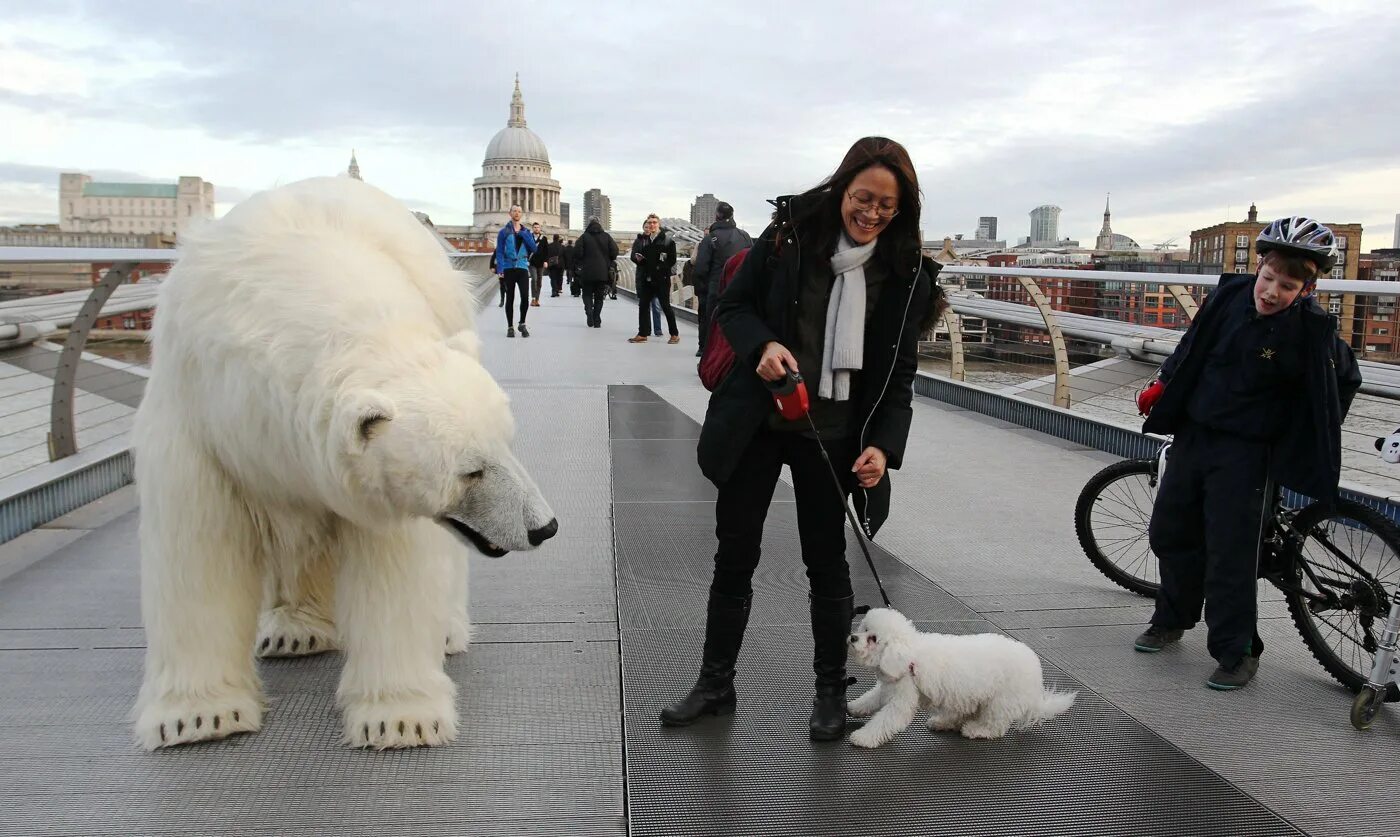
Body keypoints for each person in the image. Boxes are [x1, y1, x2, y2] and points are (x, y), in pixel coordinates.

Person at [660, 137, 946, 741]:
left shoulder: (906, 274)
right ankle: (715, 683)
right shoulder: (789, 235)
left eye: (886, 207)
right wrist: (762, 345)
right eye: (862, 198)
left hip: (835, 431)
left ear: (904, 210)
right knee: (734, 556)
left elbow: (898, 374)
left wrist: (883, 448)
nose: (871, 214)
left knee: (827, 564)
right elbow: (732, 308)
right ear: (842, 188)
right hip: (760, 422)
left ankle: (829, 691)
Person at [1133, 216, 1362, 690]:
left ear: (1306, 288)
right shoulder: (1229, 297)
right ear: (1258, 267)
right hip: (1196, 435)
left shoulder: (1313, 330)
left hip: (1248, 454)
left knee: (1229, 554)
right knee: (1170, 532)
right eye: (1269, 278)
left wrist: (1303, 436)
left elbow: (1342, 383)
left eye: (1288, 285)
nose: (1272, 292)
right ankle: (1172, 618)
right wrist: (1164, 381)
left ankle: (1237, 652)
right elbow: (1191, 345)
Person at [692, 202, 753, 357]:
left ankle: (707, 354)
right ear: (732, 216)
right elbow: (751, 262)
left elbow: (700, 269)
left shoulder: (710, 238)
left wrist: (700, 290)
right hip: (740, 288)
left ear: (716, 216)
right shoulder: (744, 236)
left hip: (715, 289)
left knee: (711, 323)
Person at [627, 214, 680, 344]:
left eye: (654, 222)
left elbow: (672, 260)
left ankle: (674, 334)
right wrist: (640, 260)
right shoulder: (645, 240)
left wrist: (660, 268)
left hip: (661, 279)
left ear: (659, 224)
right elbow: (640, 258)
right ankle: (643, 333)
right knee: (643, 305)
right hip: (647, 278)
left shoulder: (668, 241)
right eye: (650, 222)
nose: (651, 225)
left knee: (665, 306)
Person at [494, 205, 537, 337]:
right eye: (514, 211)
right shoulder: (503, 232)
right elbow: (500, 251)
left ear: (521, 214)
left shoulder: (527, 232)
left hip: (522, 266)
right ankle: (510, 326)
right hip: (508, 267)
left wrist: (525, 236)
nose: (517, 213)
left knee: (525, 296)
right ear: (510, 213)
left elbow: (534, 248)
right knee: (510, 298)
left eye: (519, 211)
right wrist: (500, 268)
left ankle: (522, 323)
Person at [573, 217, 617, 328]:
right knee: (599, 296)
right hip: (602, 272)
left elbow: (577, 253)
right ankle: (596, 318)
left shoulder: (584, 237)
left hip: (587, 271)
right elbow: (614, 252)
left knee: (587, 294)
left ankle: (589, 312)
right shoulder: (606, 237)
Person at [528, 221, 548, 306]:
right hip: (532, 262)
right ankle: (533, 298)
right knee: (534, 279)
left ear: (540, 228)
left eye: (538, 227)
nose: (536, 229)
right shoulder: (529, 237)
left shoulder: (544, 238)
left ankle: (537, 299)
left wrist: (546, 261)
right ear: (532, 228)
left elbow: (546, 251)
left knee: (539, 281)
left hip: (540, 263)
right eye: (535, 227)